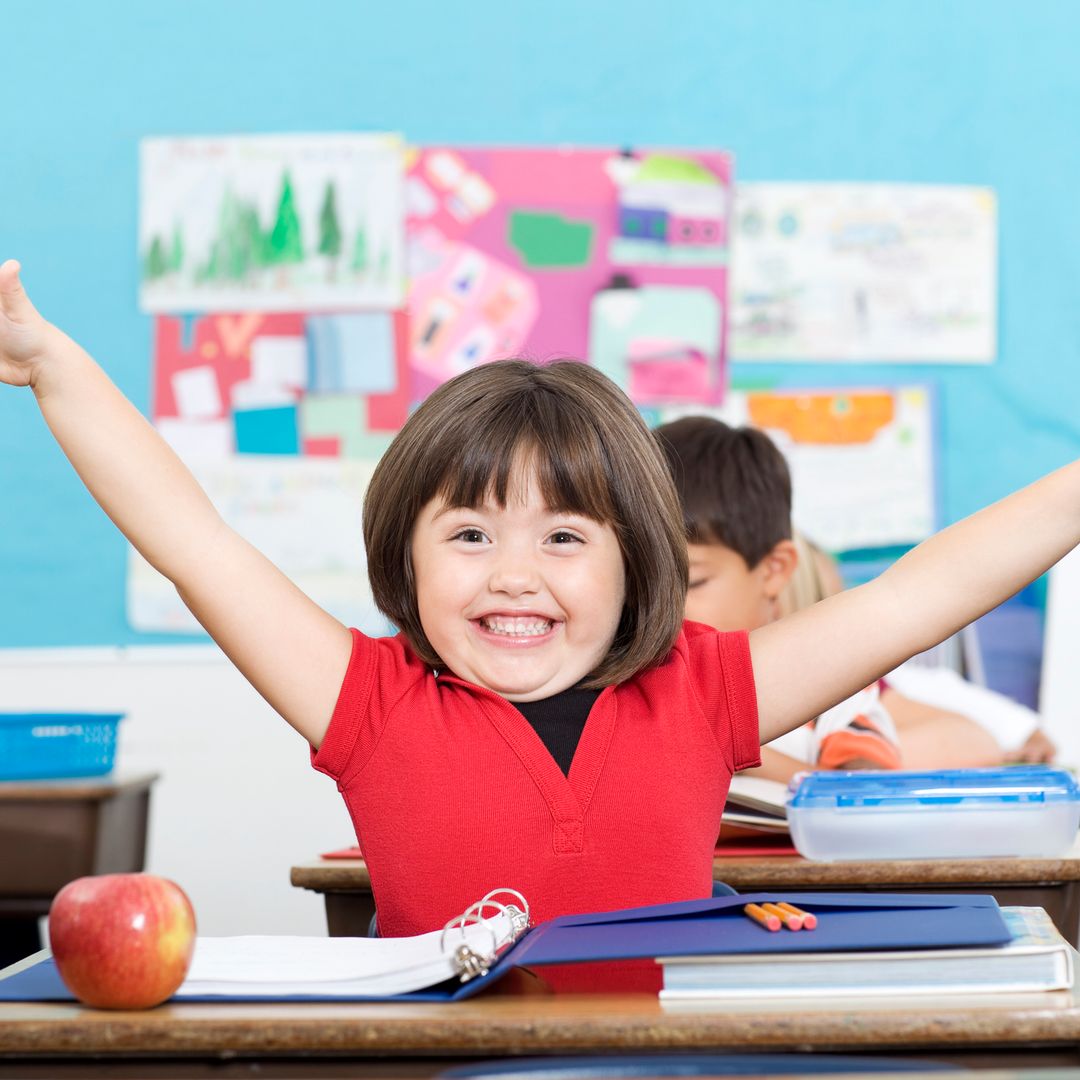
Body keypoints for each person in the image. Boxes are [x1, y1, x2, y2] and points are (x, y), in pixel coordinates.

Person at [2, 258, 1078, 938]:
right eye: (469, 535)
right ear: (406, 560)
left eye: (563, 538)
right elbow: (196, 544)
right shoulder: (366, 698)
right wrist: (52, 366)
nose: (514, 574)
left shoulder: (702, 687)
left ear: (635, 563)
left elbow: (923, 591)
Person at [655, 414, 1049, 778]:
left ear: (774, 571)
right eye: (643, 584)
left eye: (693, 583)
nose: (662, 609)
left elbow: (970, 743)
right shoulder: (638, 683)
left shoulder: (822, 685)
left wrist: (830, 764)